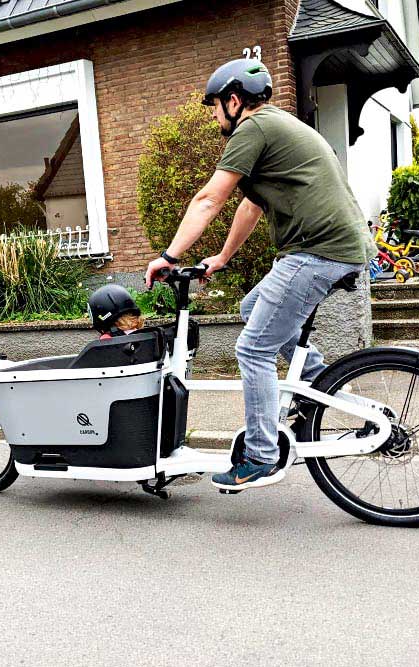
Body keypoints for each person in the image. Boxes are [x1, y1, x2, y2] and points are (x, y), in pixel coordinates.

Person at [144, 58, 374, 492]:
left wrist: (169, 256)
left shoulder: (253, 129)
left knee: (253, 350)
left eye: (215, 106)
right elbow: (250, 205)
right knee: (254, 310)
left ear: (234, 100)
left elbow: (210, 199)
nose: (215, 116)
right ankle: (314, 387)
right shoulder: (276, 127)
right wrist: (223, 257)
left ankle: (260, 456)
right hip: (332, 247)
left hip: (317, 251)